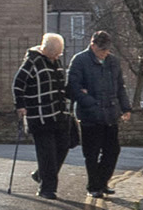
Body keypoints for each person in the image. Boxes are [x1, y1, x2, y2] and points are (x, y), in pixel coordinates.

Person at [13, 30, 79, 198]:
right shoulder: (32, 62)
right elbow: (18, 84)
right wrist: (20, 105)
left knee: (64, 146)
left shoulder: (55, 62)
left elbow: (60, 85)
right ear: (46, 50)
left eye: (59, 54)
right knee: (47, 153)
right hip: (40, 116)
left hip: (58, 114)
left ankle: (40, 174)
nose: (57, 57)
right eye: (55, 54)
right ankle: (47, 189)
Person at [67, 30, 129, 200]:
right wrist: (90, 102)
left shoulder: (113, 62)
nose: (105, 53)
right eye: (102, 50)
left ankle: (101, 182)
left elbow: (120, 87)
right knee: (92, 153)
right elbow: (73, 87)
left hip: (110, 113)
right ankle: (94, 186)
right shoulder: (79, 61)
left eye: (107, 50)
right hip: (89, 116)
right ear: (92, 45)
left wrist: (126, 108)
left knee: (113, 151)